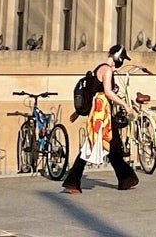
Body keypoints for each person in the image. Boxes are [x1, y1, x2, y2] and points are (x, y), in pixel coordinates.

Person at [58, 49, 138, 196]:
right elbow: (107, 92)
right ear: (117, 57)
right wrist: (125, 105)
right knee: (92, 146)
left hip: (98, 112)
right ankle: (72, 182)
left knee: (113, 147)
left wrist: (80, 112)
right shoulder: (107, 71)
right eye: (122, 59)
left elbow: (91, 92)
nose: (122, 62)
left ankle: (126, 179)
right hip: (102, 115)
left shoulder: (98, 69)